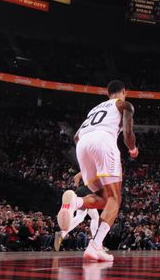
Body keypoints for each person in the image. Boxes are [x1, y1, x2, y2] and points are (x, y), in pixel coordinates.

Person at [57, 80, 138, 262]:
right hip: (103, 141)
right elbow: (127, 135)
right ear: (124, 91)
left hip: (83, 145)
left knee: (105, 200)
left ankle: (76, 202)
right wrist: (132, 150)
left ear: (107, 93)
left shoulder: (94, 109)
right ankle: (94, 246)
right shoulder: (124, 104)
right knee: (115, 200)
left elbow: (77, 136)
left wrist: (89, 155)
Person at [55, 171, 101, 251]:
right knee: (93, 217)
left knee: (82, 217)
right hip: (88, 193)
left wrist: (77, 188)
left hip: (80, 190)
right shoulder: (103, 170)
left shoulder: (89, 168)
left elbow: (76, 177)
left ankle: (62, 233)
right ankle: (95, 242)